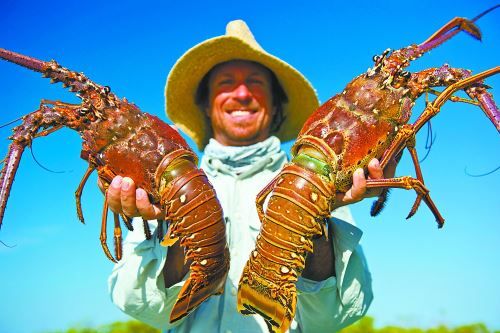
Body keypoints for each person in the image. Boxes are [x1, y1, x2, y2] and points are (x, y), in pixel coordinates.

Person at [106, 20, 390, 332]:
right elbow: (144, 308)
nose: (241, 94)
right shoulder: (156, 190)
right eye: (225, 83)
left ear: (276, 104)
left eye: (255, 82)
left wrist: (318, 215)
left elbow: (333, 318)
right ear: (205, 104)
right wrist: (175, 219)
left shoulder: (324, 177)